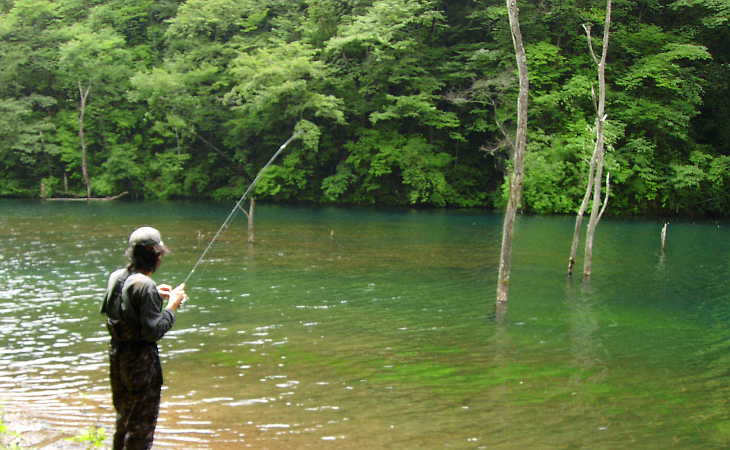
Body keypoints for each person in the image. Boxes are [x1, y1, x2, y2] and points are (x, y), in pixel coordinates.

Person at [100, 226, 187, 449]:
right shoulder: (144, 285)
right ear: (156, 256)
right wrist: (172, 306)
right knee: (142, 425)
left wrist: (153, 295)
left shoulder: (117, 277)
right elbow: (154, 331)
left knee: (124, 417)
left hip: (117, 356)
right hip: (140, 362)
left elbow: (115, 311)